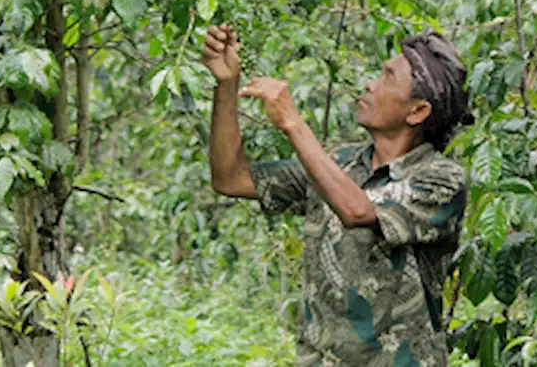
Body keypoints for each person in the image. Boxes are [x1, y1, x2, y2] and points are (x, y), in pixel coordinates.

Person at [203, 24, 474, 367]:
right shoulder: (337, 163)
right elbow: (230, 178)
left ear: (417, 111)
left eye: (387, 78)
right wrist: (227, 84)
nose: (370, 84)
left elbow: (357, 211)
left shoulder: (441, 181)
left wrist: (292, 122)